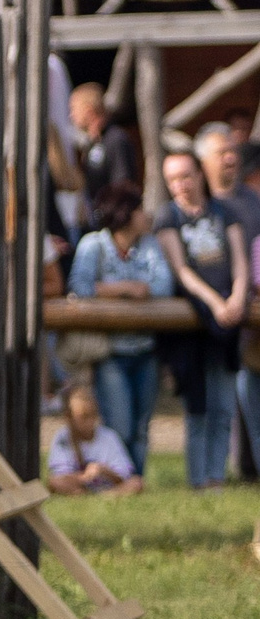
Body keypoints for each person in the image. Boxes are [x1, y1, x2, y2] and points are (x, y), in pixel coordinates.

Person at [67, 183, 174, 482]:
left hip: (146, 348)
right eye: (138, 208)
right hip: (111, 352)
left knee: (141, 426)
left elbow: (164, 285)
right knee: (120, 425)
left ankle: (135, 481)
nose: (145, 215)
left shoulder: (148, 245)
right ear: (124, 212)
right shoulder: (93, 245)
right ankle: (118, 481)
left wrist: (114, 291)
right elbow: (79, 287)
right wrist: (125, 288)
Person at [153, 152, 248, 489]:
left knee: (223, 406)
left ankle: (216, 479)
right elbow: (182, 270)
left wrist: (237, 297)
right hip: (192, 324)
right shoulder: (168, 216)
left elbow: (240, 261)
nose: (180, 185)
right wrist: (215, 303)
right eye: (173, 179)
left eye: (185, 176)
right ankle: (198, 480)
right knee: (197, 407)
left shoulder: (224, 211)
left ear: (199, 174)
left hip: (227, 322)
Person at [45, 385, 141, 497]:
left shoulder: (109, 436)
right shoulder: (63, 438)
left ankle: (107, 495)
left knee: (137, 482)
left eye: (93, 415)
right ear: (69, 418)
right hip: (79, 485)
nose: (90, 422)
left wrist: (103, 470)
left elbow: (123, 475)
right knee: (54, 482)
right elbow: (60, 474)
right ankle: (83, 495)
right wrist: (84, 477)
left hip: (109, 486)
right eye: (83, 417)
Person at [68, 83, 138, 230]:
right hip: (95, 221)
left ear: (88, 111)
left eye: (74, 109)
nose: (71, 115)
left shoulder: (116, 139)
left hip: (114, 224)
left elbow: (122, 185)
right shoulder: (91, 143)